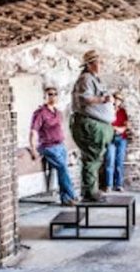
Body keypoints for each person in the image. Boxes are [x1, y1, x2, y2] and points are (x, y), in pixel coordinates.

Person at [71, 50, 115, 202]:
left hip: (98, 124)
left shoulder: (95, 79)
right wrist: (104, 99)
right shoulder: (86, 79)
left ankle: (92, 189)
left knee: (95, 158)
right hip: (90, 124)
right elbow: (86, 98)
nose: (101, 64)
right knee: (92, 158)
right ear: (89, 64)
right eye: (98, 62)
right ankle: (90, 192)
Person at [29, 85, 78, 206]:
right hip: (48, 147)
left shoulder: (58, 113)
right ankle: (71, 196)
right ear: (45, 96)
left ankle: (65, 198)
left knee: (63, 171)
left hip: (60, 145)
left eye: (55, 94)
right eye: (50, 94)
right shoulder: (40, 113)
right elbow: (33, 131)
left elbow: (61, 130)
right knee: (63, 168)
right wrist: (33, 149)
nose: (53, 97)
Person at [104, 91, 129, 192]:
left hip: (121, 138)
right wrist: (115, 128)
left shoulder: (122, 111)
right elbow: (105, 124)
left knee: (119, 162)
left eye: (119, 100)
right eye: (116, 99)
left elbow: (126, 125)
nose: (117, 101)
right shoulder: (107, 111)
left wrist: (120, 128)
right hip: (110, 138)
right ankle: (109, 185)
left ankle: (119, 184)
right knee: (110, 161)